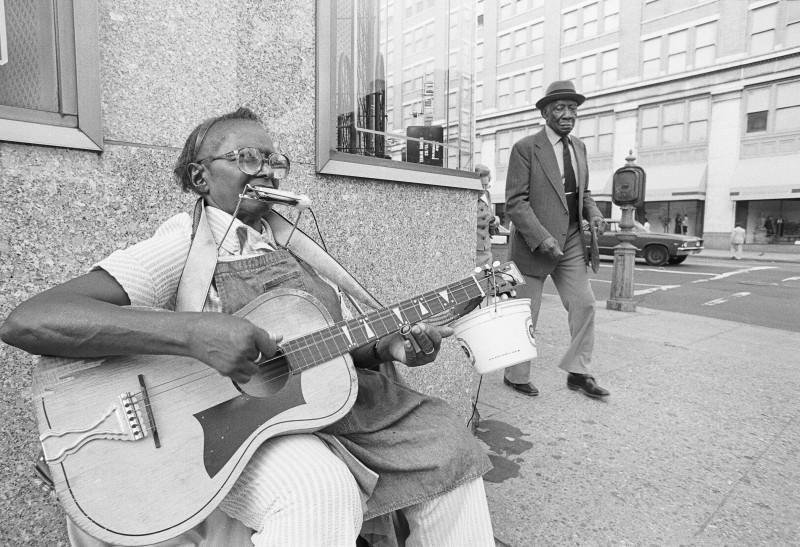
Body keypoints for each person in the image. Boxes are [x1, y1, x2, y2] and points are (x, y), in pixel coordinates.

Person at [0, 108, 495, 546]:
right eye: (247, 158)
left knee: (449, 442)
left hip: (319, 412)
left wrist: (384, 348)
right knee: (317, 488)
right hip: (223, 425)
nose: (266, 170)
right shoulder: (185, 243)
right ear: (200, 178)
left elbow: (322, 348)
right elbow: (32, 320)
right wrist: (193, 333)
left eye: (274, 160)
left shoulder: (295, 246)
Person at [502, 81, 610, 400]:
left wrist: (594, 214)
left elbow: (583, 193)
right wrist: (541, 237)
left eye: (573, 108)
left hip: (572, 241)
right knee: (526, 312)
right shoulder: (525, 148)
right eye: (560, 108)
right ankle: (515, 375)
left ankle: (578, 372)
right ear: (546, 112)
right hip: (534, 245)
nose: (567, 114)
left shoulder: (579, 147)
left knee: (584, 303)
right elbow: (515, 202)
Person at [475, 164, 500, 268]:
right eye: (481, 185)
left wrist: (495, 219)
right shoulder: (467, 195)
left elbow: (490, 214)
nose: (483, 189)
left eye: (486, 185)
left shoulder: (487, 195)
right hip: (473, 249)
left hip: (486, 248)